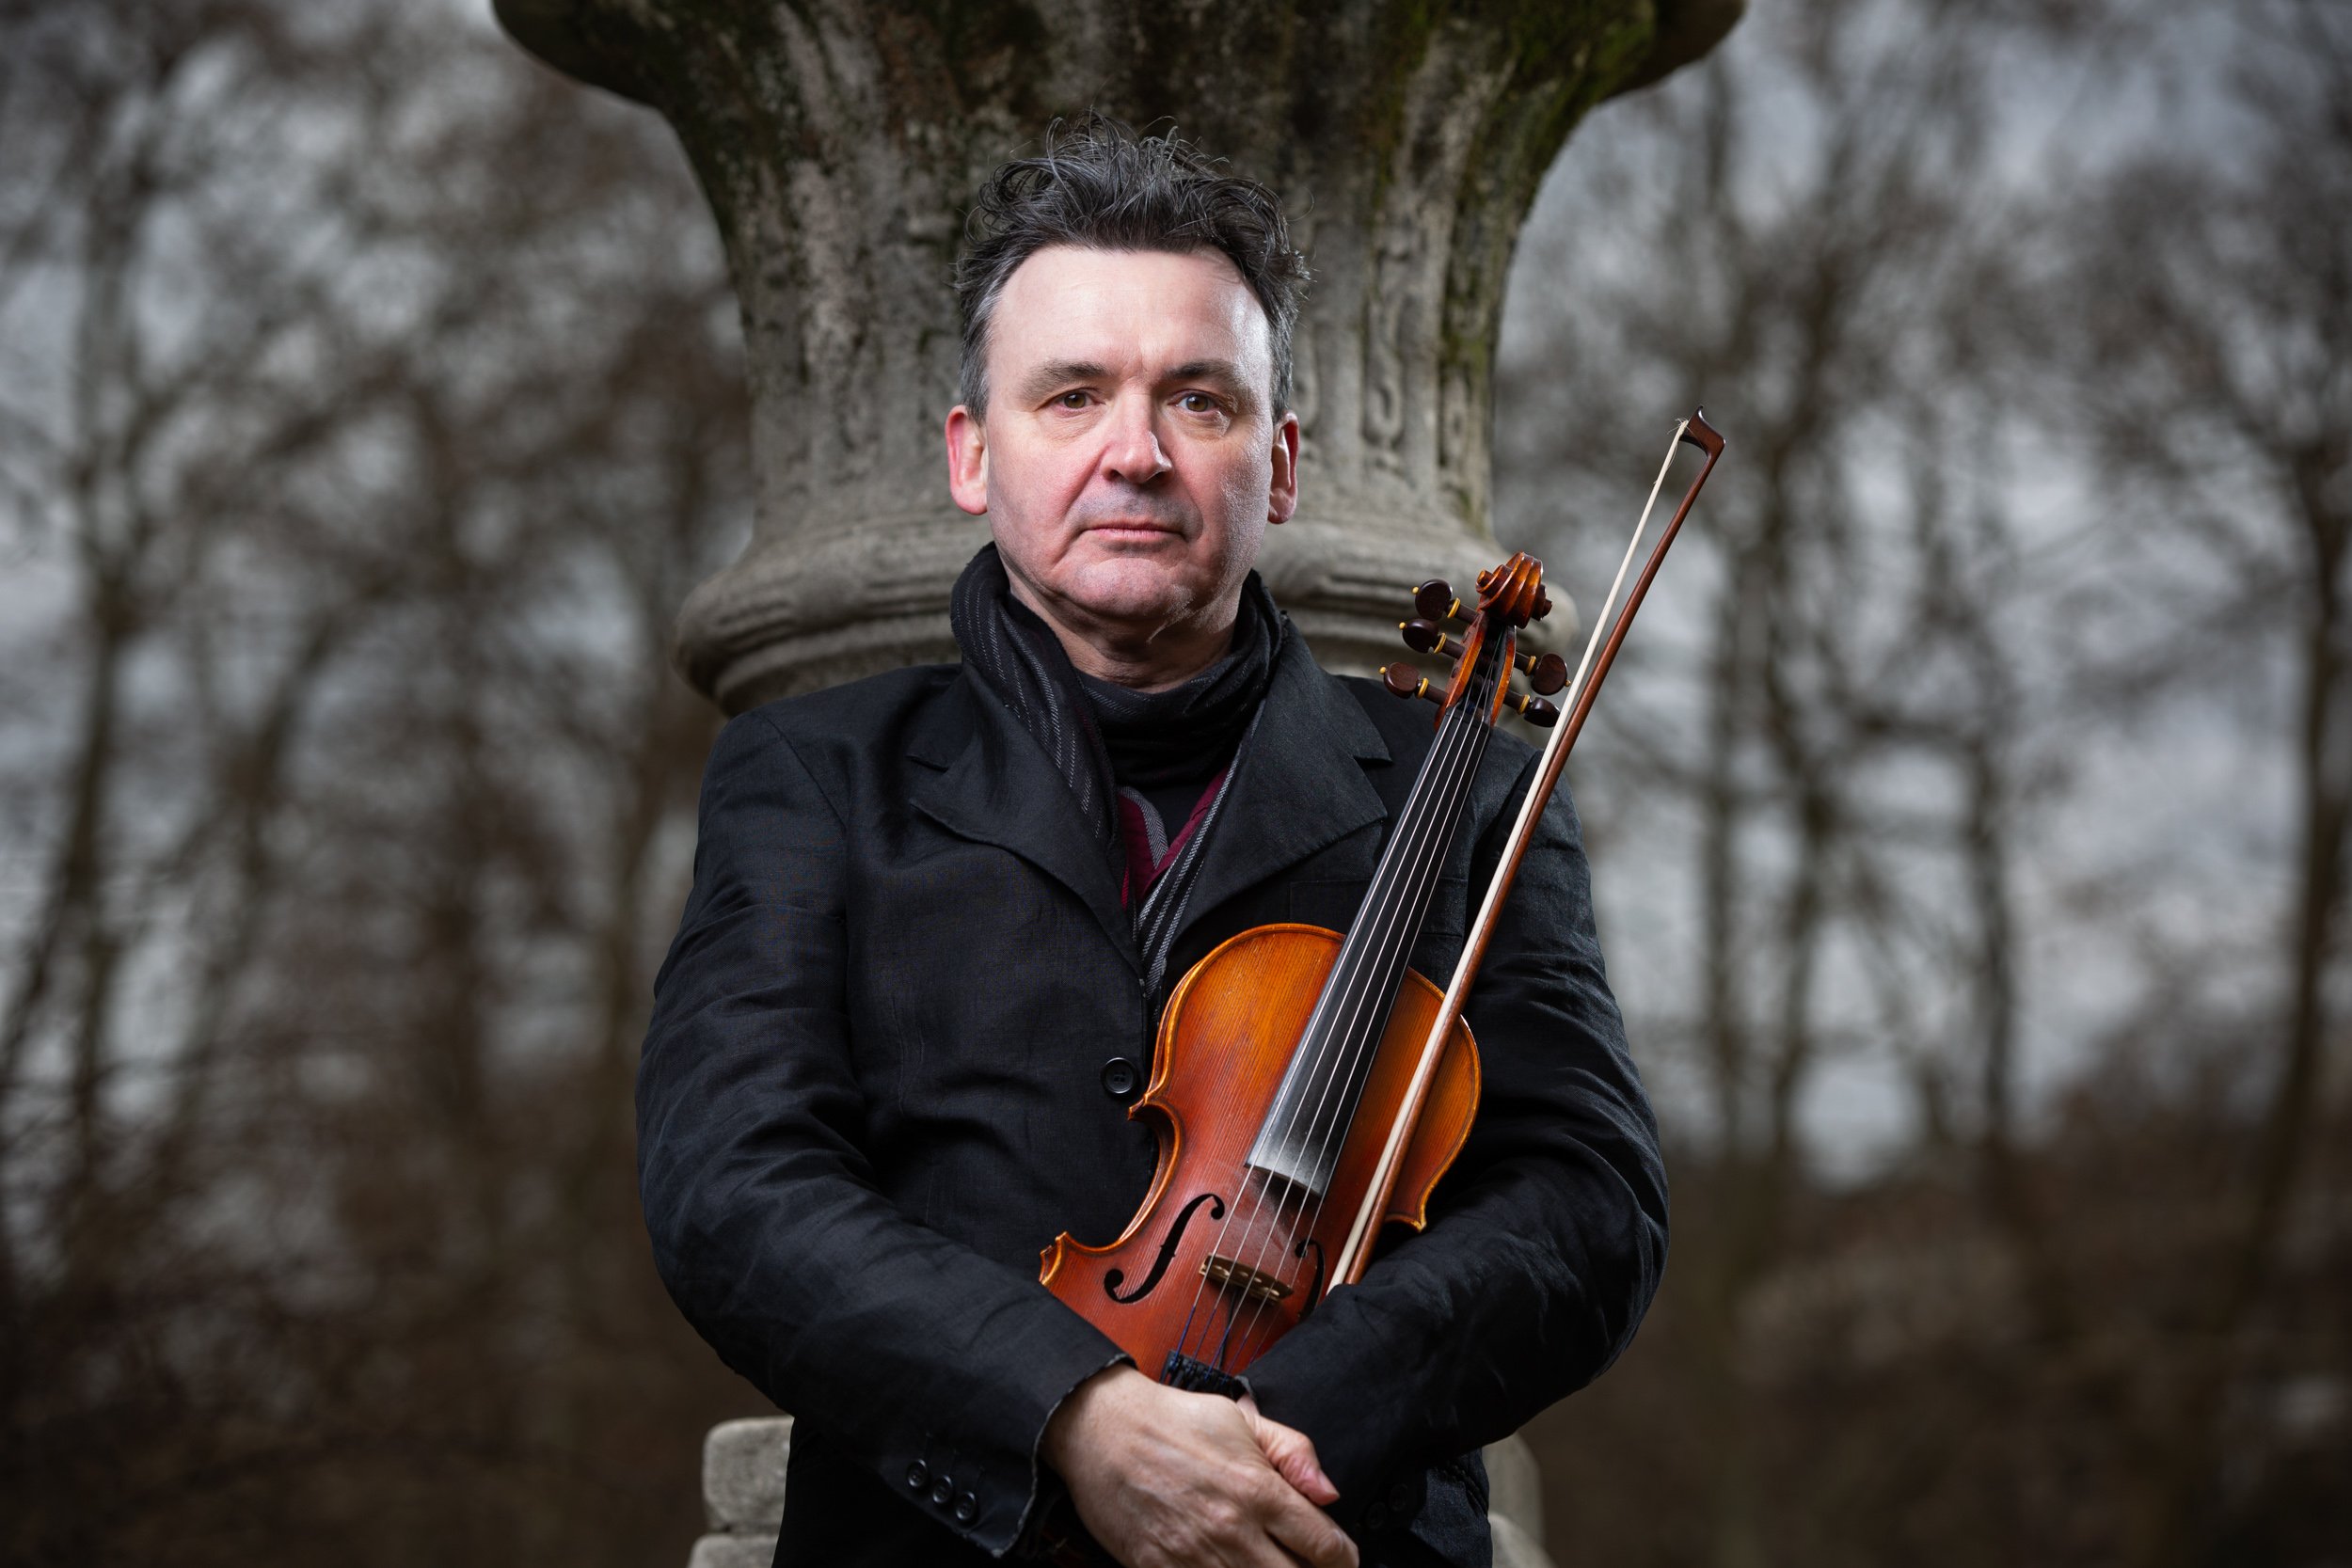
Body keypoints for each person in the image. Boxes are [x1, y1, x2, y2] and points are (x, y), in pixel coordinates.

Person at [638, 117, 1668, 1568]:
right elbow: (732, 1189)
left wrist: (1271, 1430)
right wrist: (1072, 1415)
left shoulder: (1471, 788)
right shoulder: (808, 776)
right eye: (1071, 397)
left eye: (1199, 399)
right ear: (971, 456)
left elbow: (1589, 1205)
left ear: (1283, 462)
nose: (1136, 454)